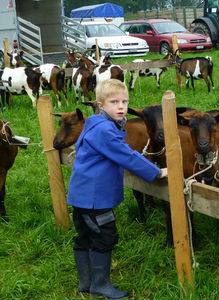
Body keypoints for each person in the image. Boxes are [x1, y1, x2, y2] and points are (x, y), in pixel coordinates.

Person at [67, 79, 167, 299]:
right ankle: (100, 285)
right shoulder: (105, 130)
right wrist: (157, 172)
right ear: (100, 105)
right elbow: (127, 155)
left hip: (80, 195)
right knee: (105, 236)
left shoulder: (93, 123)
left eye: (125, 101)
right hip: (95, 198)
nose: (121, 107)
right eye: (114, 102)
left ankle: (86, 282)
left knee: (85, 236)